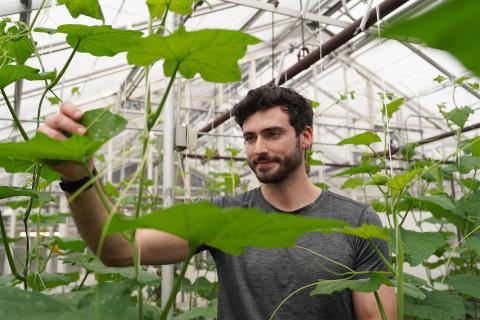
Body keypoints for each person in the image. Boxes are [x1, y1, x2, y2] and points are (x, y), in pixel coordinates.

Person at [39, 85, 396, 319]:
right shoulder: (223, 215)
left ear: (305, 137)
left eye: (272, 134)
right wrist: (80, 176)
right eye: (250, 138)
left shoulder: (356, 220)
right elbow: (117, 248)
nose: (258, 149)